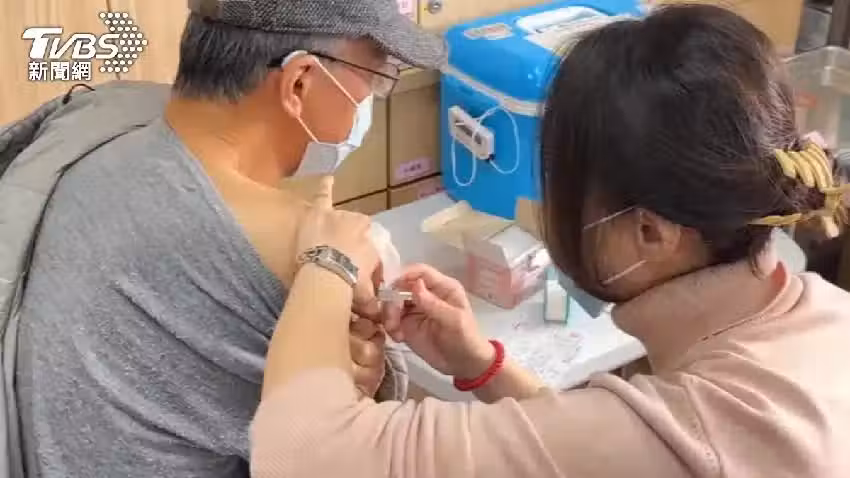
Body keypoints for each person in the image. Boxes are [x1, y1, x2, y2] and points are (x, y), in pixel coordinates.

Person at [251, 5, 850, 478]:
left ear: (651, 232)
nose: (545, 207)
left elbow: (301, 456)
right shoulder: (826, 318)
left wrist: (326, 259)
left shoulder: (700, 429)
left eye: (560, 185)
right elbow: (599, 448)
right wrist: (483, 366)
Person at [11, 0, 444, 477]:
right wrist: (356, 379)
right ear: (299, 83)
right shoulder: (301, 254)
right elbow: (349, 457)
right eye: (376, 78)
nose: (369, 102)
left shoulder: (102, 143)